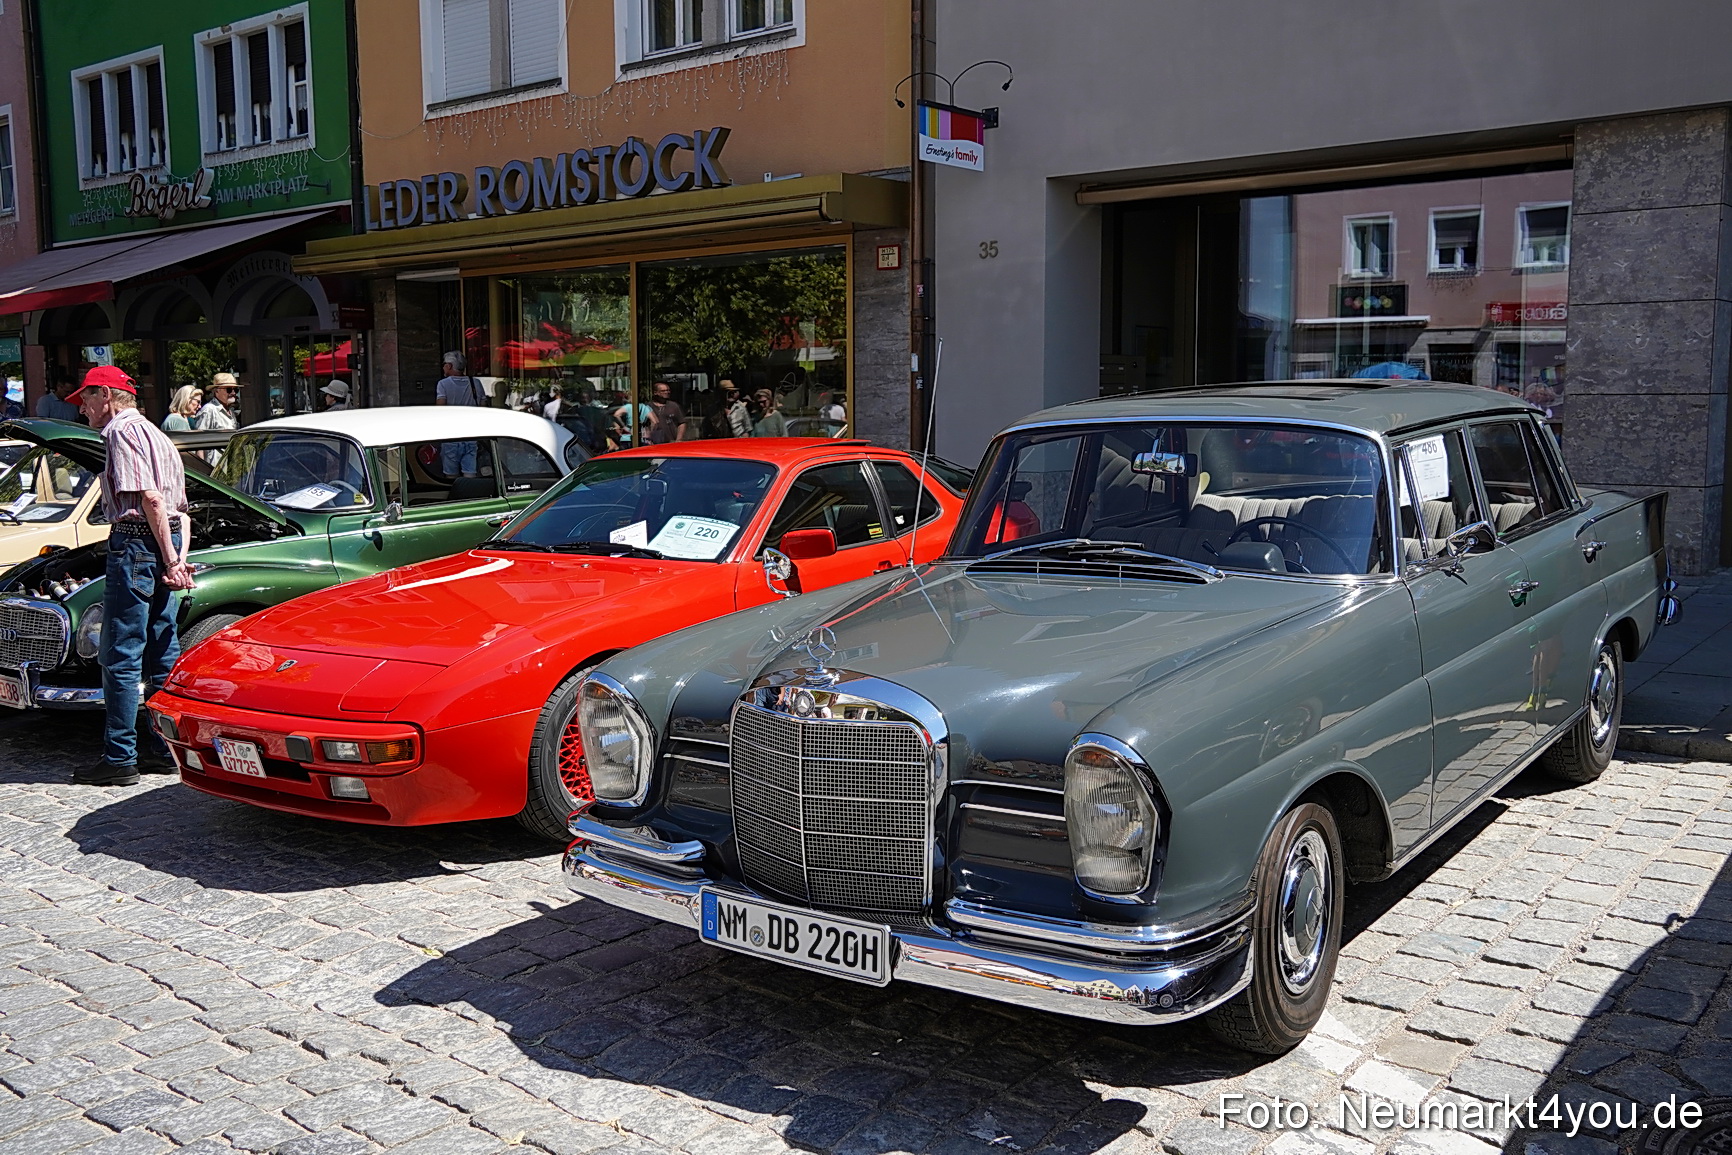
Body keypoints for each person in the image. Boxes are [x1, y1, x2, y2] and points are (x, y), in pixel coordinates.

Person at [68, 366, 193, 786]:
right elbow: (181, 513)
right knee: (162, 649)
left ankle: (120, 757)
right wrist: (177, 559)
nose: (82, 409)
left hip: (137, 544)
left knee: (120, 654)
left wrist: (171, 561)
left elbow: (152, 500)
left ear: (105, 394)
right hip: (162, 541)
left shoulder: (120, 432)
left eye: (85, 398)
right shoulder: (158, 433)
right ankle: (165, 749)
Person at [434, 352, 486, 476]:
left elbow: (440, 409)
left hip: (451, 436)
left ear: (449, 366)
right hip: (471, 436)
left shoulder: (443, 384)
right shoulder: (476, 383)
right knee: (470, 474)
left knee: (450, 476)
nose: (443, 367)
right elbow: (484, 408)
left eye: (444, 365)